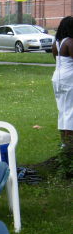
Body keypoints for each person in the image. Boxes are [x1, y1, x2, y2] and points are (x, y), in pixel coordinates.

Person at [51, 16, 73, 150]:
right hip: (69, 78)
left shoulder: (56, 42)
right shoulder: (70, 42)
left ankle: (64, 143)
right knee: (71, 110)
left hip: (57, 77)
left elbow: (56, 59)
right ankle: (70, 145)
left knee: (63, 110)